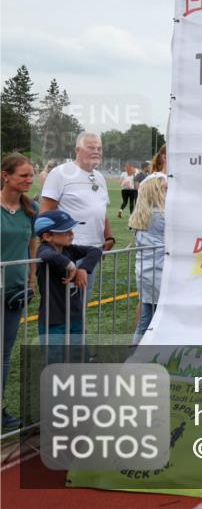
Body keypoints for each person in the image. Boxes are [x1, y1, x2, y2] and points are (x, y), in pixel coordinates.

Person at [34, 210, 102, 363]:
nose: (72, 234)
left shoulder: (69, 249)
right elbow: (47, 256)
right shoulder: (45, 249)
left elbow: (95, 250)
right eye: (66, 232)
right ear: (47, 236)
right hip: (53, 318)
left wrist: (83, 268)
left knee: (79, 356)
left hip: (75, 315)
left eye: (71, 230)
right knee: (55, 361)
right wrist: (71, 266)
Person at [40, 132, 115, 264]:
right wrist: (54, 247)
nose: (96, 151)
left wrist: (108, 237)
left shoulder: (100, 177)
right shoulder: (59, 173)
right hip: (69, 249)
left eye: (99, 148)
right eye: (91, 148)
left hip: (94, 249)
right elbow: (46, 214)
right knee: (67, 285)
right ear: (77, 150)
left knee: (87, 286)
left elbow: (102, 211)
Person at [1, 154, 37, 428]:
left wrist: (32, 277)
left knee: (4, 353)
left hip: (14, 293)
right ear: (5, 176)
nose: (29, 179)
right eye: (23, 175)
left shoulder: (30, 209)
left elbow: (32, 245)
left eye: (31, 175)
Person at [129, 173, 166, 344]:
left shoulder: (141, 214)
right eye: (165, 188)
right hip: (160, 273)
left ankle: (133, 354)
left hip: (145, 273)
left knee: (145, 320)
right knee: (161, 320)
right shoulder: (160, 216)